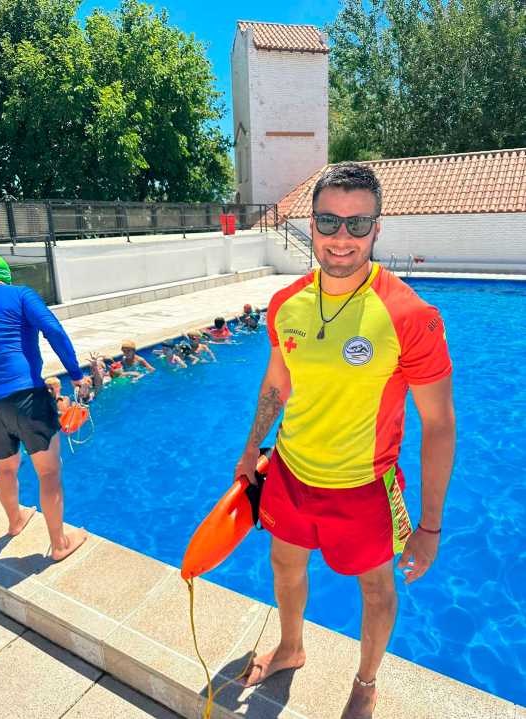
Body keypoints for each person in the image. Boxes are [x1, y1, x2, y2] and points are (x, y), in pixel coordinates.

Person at [234, 162, 455, 719]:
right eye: (330, 221)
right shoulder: (286, 303)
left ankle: (365, 682)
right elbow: (277, 383)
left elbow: (438, 425)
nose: (342, 237)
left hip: (366, 488)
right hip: (290, 472)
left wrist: (430, 527)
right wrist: (252, 448)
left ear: (377, 228)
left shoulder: (410, 316)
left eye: (358, 224)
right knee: (285, 564)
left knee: (376, 590)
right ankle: (291, 647)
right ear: (311, 224)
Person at [0, 255, 87, 560]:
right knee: (49, 472)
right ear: (5, 276)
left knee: (5, 467)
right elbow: (53, 330)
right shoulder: (21, 294)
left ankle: (15, 522)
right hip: (26, 396)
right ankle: (59, 544)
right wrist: (76, 374)